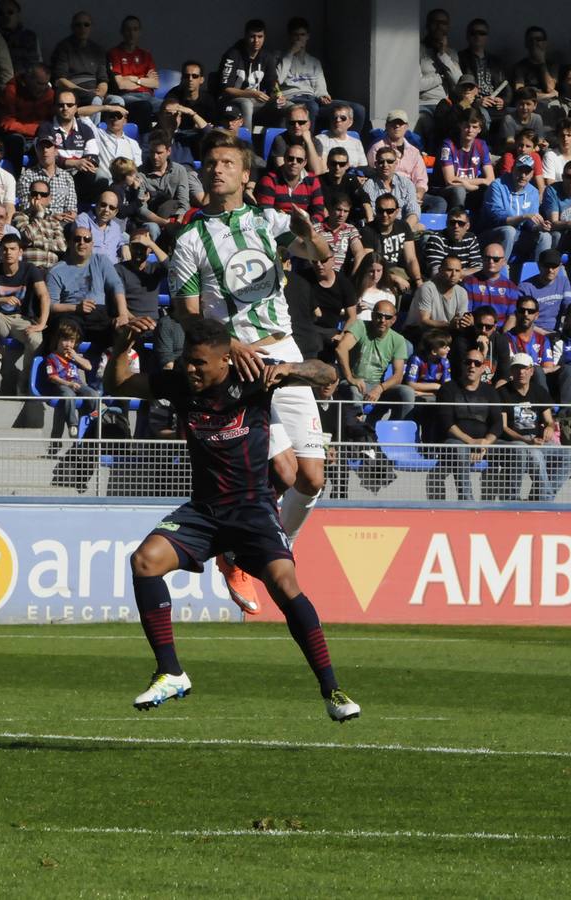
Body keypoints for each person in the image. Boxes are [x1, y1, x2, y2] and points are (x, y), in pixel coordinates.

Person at [101, 312, 360, 718]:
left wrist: (286, 369)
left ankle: (333, 690)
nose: (190, 369)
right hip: (204, 511)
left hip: (253, 510)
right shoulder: (179, 385)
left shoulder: (256, 380)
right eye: (188, 360)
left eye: (199, 362)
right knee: (145, 561)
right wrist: (121, 347)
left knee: (284, 584)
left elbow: (326, 372)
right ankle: (170, 672)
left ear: (225, 361)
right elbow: (117, 384)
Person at [168, 128, 333, 611]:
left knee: (312, 478)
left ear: (245, 174)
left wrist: (307, 231)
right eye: (211, 163)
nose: (217, 169)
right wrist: (230, 343)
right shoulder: (190, 238)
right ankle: (242, 556)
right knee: (282, 469)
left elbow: (322, 258)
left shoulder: (270, 221)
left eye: (226, 163)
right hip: (238, 361)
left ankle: (274, 546)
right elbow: (186, 311)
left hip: (285, 353)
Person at [46, 224, 127, 367]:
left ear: (92, 243)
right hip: (71, 315)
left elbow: (116, 286)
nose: (82, 242)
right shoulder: (56, 271)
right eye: (77, 239)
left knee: (124, 330)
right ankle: (63, 373)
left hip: (99, 314)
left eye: (87, 239)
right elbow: (50, 306)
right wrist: (76, 308)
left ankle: (114, 376)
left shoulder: (101, 261)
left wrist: (123, 314)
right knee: (64, 328)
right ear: (70, 243)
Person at [429, 344, 500, 502]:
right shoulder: (448, 389)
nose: (472, 366)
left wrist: (485, 444)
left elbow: (497, 424)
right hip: (455, 442)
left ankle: (515, 504)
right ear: (462, 365)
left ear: (483, 368)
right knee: (460, 450)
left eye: (477, 363)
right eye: (468, 362)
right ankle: (467, 501)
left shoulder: (491, 392)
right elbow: (446, 423)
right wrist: (471, 442)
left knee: (517, 449)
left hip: (483, 444)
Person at [495, 353, 571, 501]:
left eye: (524, 368)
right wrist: (527, 441)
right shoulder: (502, 393)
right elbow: (503, 427)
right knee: (536, 455)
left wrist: (549, 427)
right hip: (513, 441)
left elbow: (549, 420)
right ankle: (545, 499)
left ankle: (539, 497)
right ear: (511, 371)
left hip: (536, 440)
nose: (521, 372)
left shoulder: (539, 391)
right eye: (517, 368)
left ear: (531, 371)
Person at [0, 233, 48, 382]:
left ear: (20, 252)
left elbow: (44, 296)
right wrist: (0, 300)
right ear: (0, 251)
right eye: (5, 249)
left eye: (13, 249)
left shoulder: (30, 269)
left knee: (36, 340)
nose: (8, 252)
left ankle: (26, 378)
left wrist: (41, 324)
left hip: (22, 319)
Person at [334, 298, 413, 423]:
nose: (382, 320)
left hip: (378, 385)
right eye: (379, 316)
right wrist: (350, 378)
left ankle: (397, 430)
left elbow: (398, 375)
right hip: (354, 382)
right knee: (354, 390)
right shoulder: (360, 326)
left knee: (406, 392)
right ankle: (357, 431)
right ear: (372, 315)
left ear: (394, 320)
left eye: (387, 317)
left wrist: (380, 388)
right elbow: (341, 349)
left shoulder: (398, 340)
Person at [216, 18, 279, 133]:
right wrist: (251, 94)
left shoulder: (267, 57)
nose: (256, 41)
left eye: (260, 37)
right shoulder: (232, 55)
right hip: (232, 100)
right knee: (246, 103)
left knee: (287, 106)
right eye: (252, 36)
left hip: (257, 100)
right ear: (245, 36)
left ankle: (284, 144)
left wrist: (278, 96)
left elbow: (272, 84)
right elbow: (226, 89)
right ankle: (247, 145)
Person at [481, 157, 544, 269]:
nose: (523, 175)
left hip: (519, 235)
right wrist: (523, 217)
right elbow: (497, 218)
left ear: (532, 174)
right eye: (520, 170)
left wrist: (539, 226)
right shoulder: (497, 185)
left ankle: (536, 272)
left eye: (527, 172)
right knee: (509, 231)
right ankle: (500, 270)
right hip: (493, 232)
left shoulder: (533, 191)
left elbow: (530, 224)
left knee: (545, 236)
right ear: (513, 169)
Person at [50, 10, 116, 112]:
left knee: (117, 100)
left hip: (95, 92)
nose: (82, 28)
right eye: (78, 25)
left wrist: (102, 91)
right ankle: (91, 128)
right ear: (72, 27)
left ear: (91, 27)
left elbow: (103, 79)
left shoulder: (98, 50)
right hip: (73, 91)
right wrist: (86, 91)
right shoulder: (63, 48)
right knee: (96, 101)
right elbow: (60, 80)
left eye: (86, 25)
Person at [107, 15, 159, 132]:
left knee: (169, 107)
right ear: (122, 32)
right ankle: (145, 141)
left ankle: (164, 141)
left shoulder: (145, 55)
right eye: (128, 29)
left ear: (139, 32)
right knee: (144, 106)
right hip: (127, 97)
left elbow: (155, 83)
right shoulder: (114, 53)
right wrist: (145, 81)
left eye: (135, 29)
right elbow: (121, 85)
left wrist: (134, 79)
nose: (131, 33)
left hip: (149, 97)